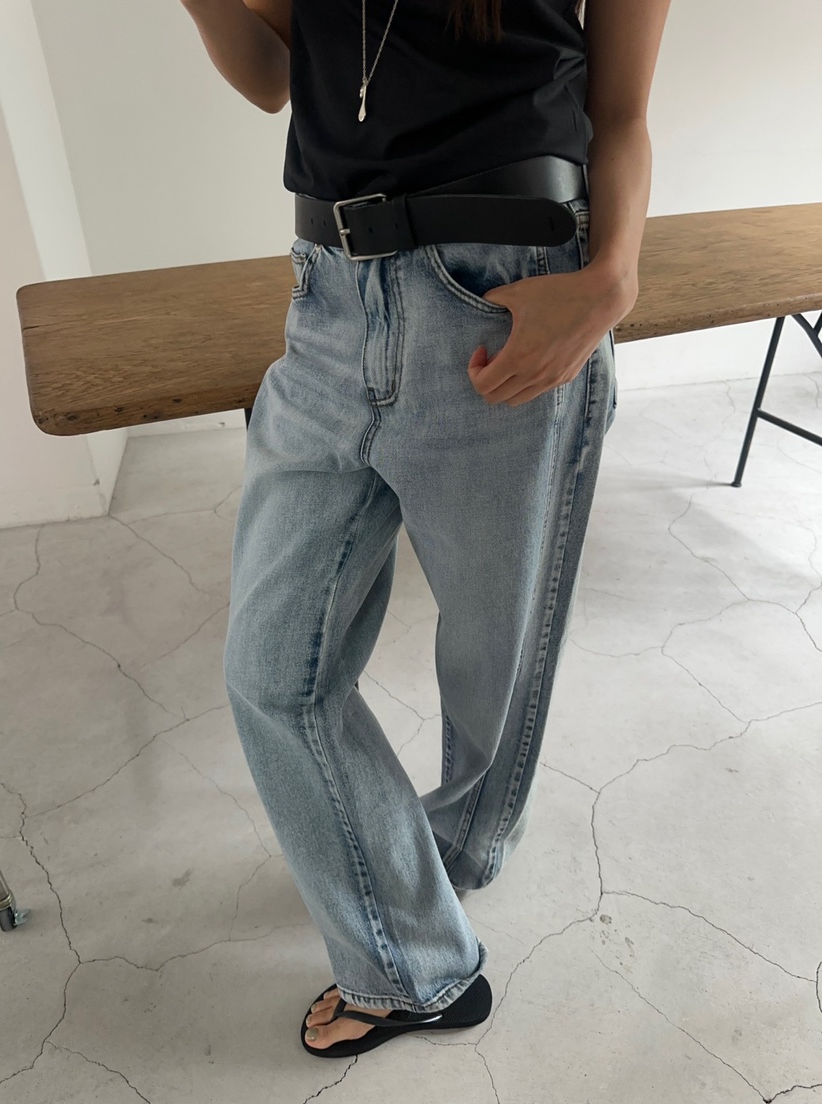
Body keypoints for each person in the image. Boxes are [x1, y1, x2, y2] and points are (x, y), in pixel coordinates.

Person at [182, 0, 671, 1060]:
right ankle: (416, 949)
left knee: (495, 656)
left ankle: (451, 859)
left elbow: (624, 108)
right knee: (271, 672)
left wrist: (612, 283)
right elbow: (269, 74)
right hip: (326, 298)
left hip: (503, 294)